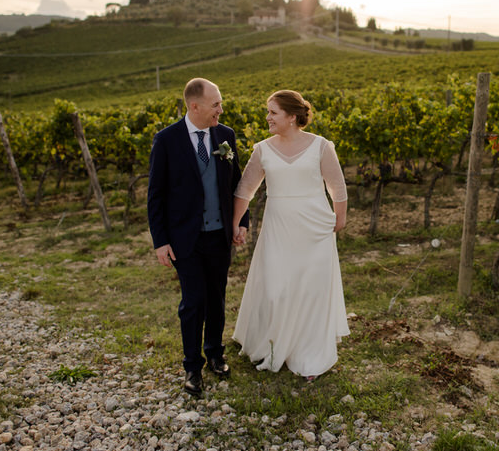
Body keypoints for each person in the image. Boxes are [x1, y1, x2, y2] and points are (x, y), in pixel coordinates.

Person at [231, 90, 350, 381]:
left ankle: (308, 353)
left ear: (292, 116)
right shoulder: (262, 149)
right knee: (277, 288)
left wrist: (339, 218)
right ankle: (274, 345)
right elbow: (244, 190)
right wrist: (236, 223)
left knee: (311, 288)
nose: (267, 117)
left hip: (314, 228)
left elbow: (338, 186)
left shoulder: (322, 146)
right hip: (278, 227)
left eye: (273, 112)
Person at [147, 77, 249, 396]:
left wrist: (241, 221)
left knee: (217, 297)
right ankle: (192, 367)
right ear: (195, 106)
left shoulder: (225, 136)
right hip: (184, 239)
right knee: (193, 302)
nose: (221, 109)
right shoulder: (167, 140)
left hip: (219, 236)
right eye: (216, 104)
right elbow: (156, 195)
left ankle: (215, 354)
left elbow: (238, 185)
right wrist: (160, 241)